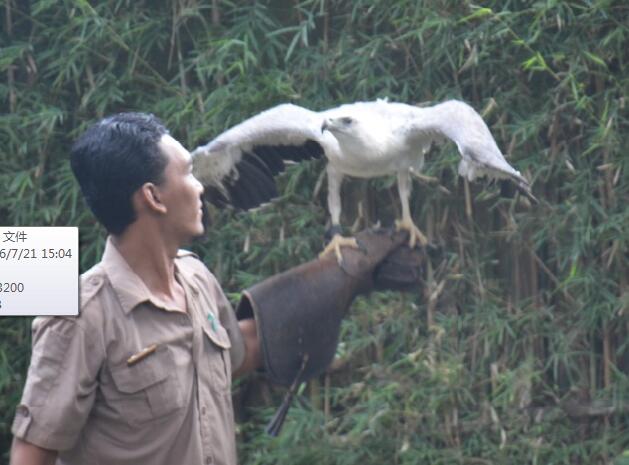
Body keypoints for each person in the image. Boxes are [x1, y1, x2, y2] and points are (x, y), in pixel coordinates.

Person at [10, 113, 261, 465]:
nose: (200, 186)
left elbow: (236, 357)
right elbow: (31, 456)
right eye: (188, 172)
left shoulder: (198, 278)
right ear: (153, 197)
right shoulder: (80, 316)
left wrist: (323, 287)